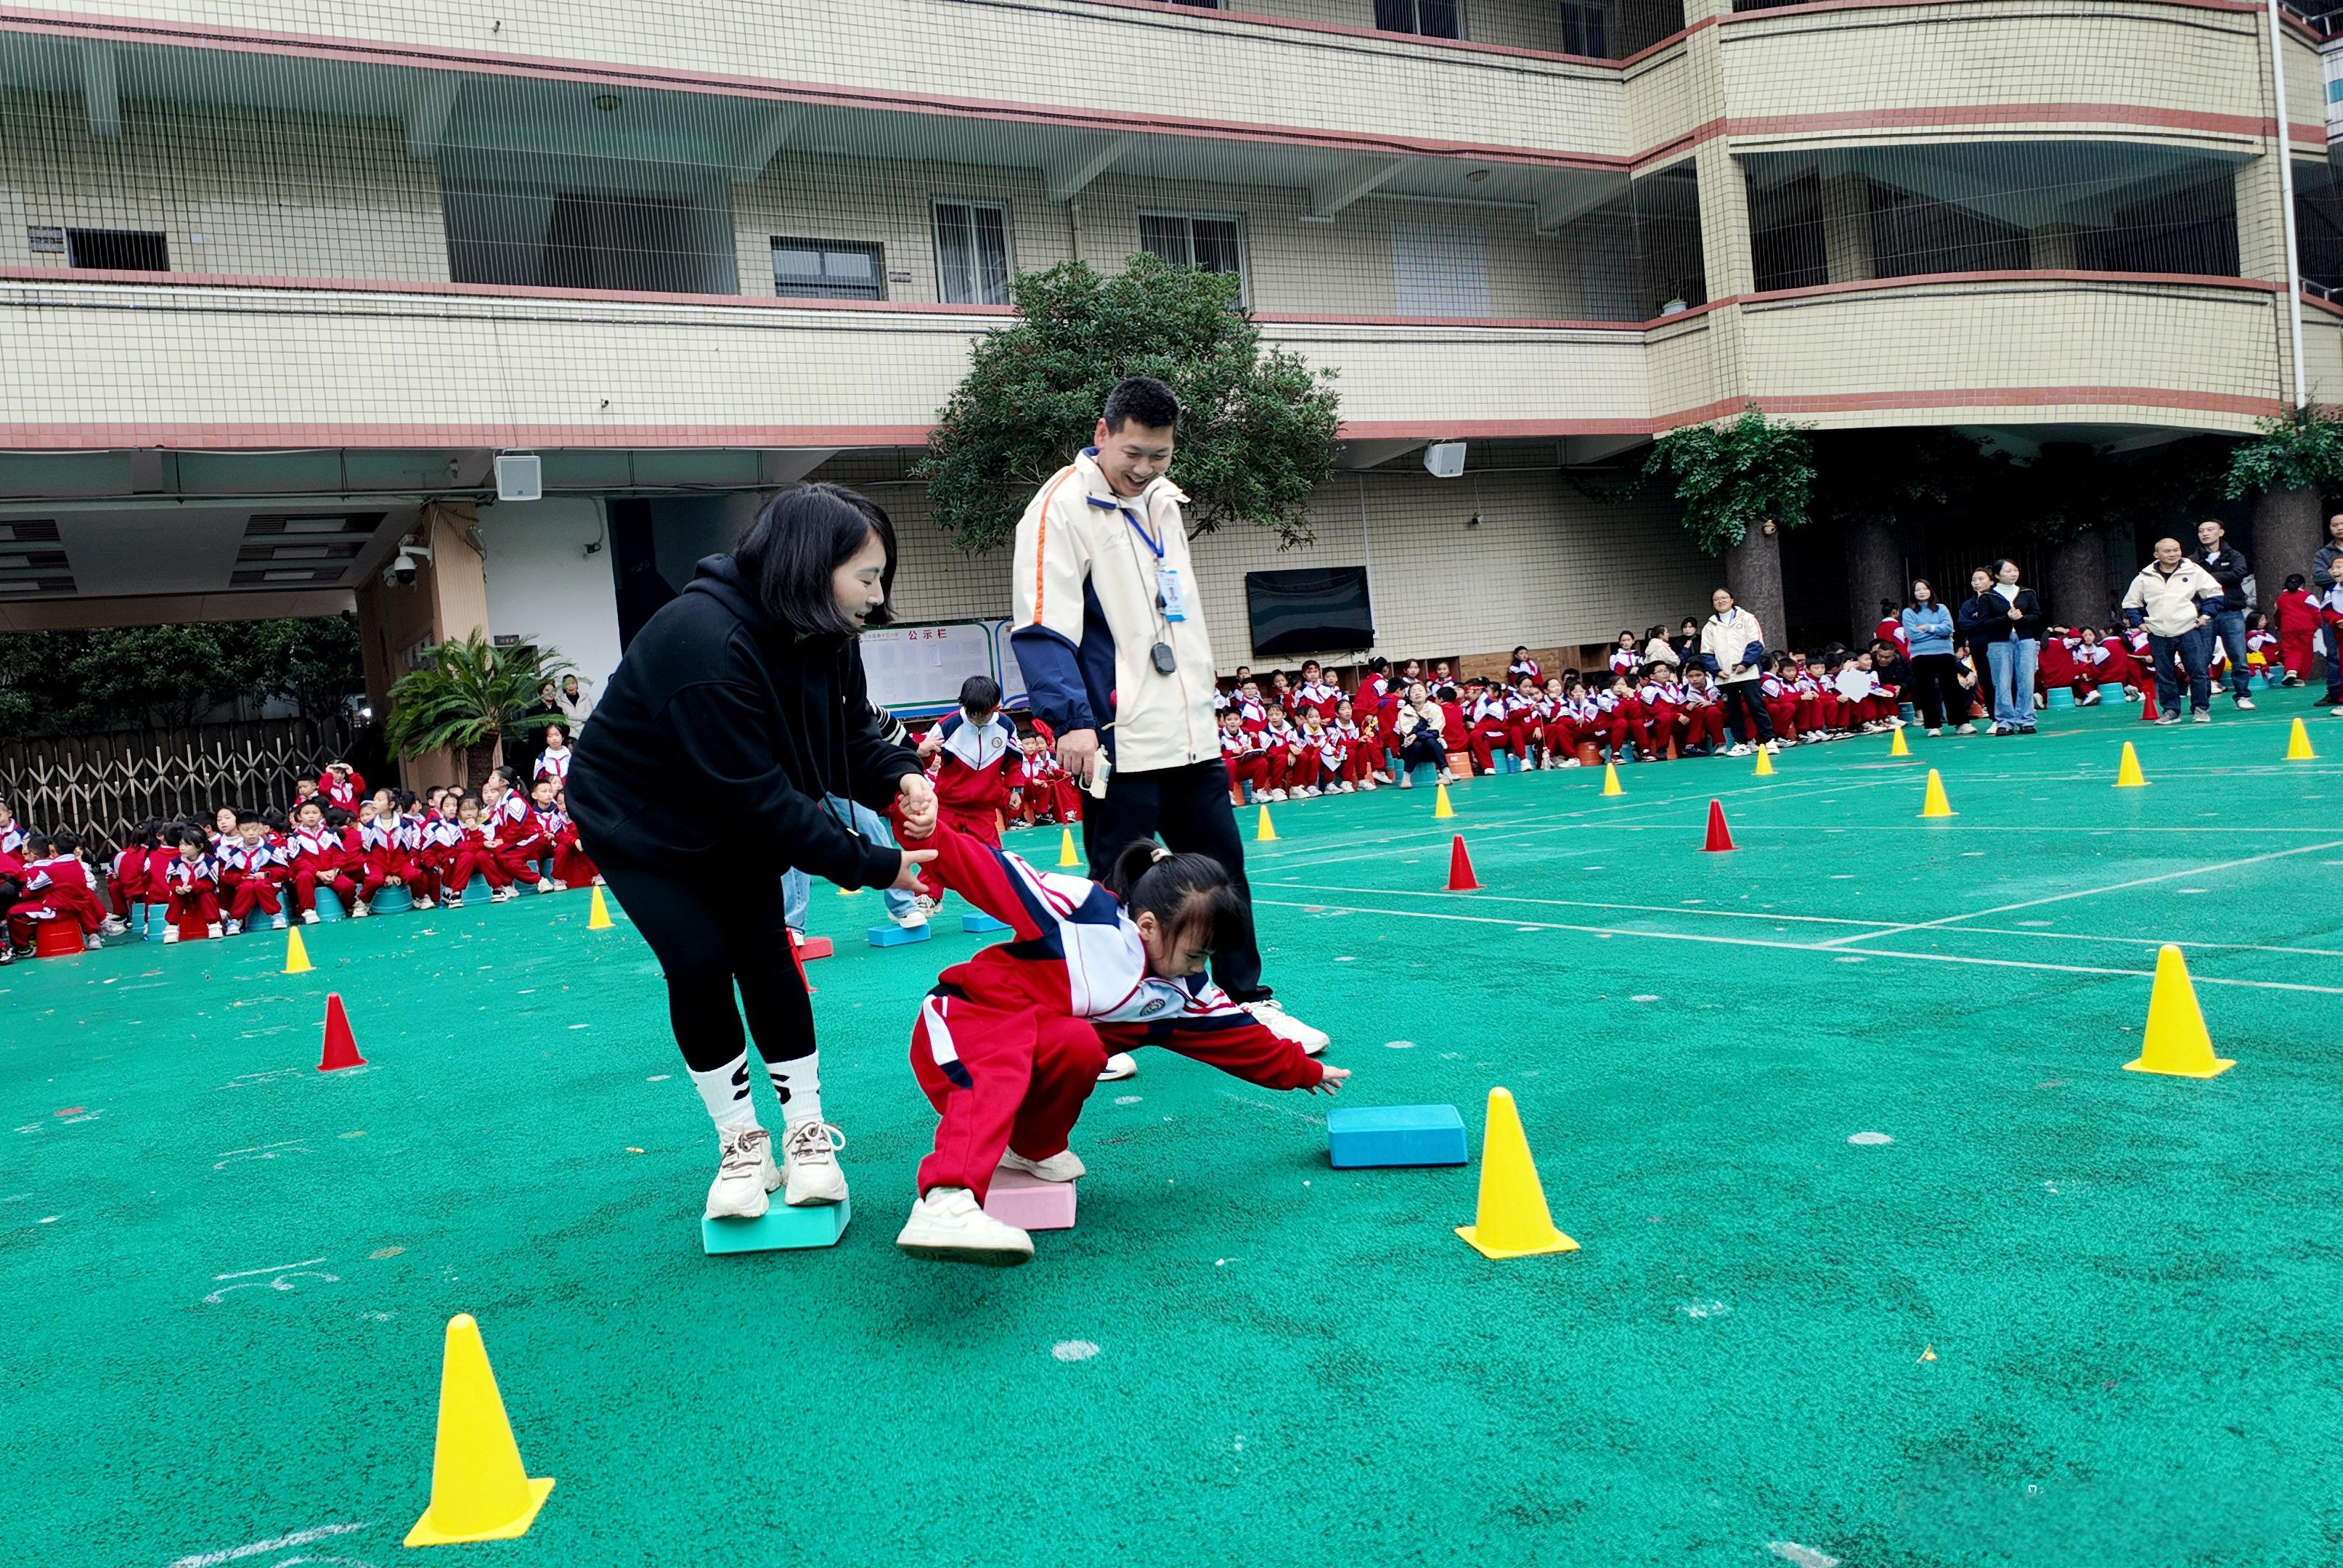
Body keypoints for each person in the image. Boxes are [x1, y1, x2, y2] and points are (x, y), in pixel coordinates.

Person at [569, 483, 940, 1225]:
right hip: (639, 822)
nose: (877, 595)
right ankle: (740, 1145)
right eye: (867, 576)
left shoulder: (825, 634)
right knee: (700, 960)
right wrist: (875, 866)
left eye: (880, 577)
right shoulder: (701, 639)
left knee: (764, 952)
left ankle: (806, 1134)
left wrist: (898, 777)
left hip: (731, 806)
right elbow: (761, 801)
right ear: (810, 565)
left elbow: (841, 738)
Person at [1008, 375, 1328, 1083]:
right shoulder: (1059, 507)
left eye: (1159, 454)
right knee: (1118, 882)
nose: (1146, 467)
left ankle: (1247, 1000)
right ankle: (1102, 1024)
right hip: (1117, 736)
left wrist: (1204, 709)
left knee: (1222, 872)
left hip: (1188, 731)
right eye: (1133, 453)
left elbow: (1174, 617)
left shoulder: (1163, 502)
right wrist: (1071, 722)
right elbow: (1040, 624)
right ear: (1102, 434)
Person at [891, 815, 1346, 1265]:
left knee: (1081, 1046)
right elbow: (992, 872)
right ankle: (946, 1199)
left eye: (1207, 958)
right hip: (968, 1019)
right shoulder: (1083, 911)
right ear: (1147, 926)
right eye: (1194, 953)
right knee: (1000, 1064)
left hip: (1036, 1037)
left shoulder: (1182, 995)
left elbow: (1242, 1039)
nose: (1198, 968)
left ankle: (1030, 1149)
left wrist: (1305, 1071)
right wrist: (929, 832)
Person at [2121, 536, 2224, 724]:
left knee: (2198, 671)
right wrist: (2139, 623)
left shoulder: (2193, 570)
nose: (2173, 554)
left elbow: (2215, 593)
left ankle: (2201, 709)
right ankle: (2170, 711)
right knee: (2164, 674)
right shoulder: (2144, 576)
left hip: (2188, 629)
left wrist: (2206, 616)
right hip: (2158, 632)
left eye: (2176, 549)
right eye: (2167, 551)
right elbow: (2130, 603)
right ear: (2156, 555)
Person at [1964, 560, 2042, 735]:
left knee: (2026, 682)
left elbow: (2037, 617)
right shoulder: (1988, 596)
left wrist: (2020, 618)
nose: (2013, 573)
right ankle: (2004, 721)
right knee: (2002, 682)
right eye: (2008, 571)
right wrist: (2007, 618)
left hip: (2024, 641)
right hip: (1999, 642)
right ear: (1997, 575)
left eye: (2015, 570)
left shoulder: (2027, 593)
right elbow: (1984, 623)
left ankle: (2026, 720)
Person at [1698, 587, 1776, 756]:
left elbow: (1756, 644)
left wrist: (1745, 664)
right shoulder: (1709, 626)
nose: (1721, 601)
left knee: (1756, 706)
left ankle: (1769, 740)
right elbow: (1706, 652)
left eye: (1724, 597)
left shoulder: (1748, 619)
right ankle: (1741, 743)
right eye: (1716, 599)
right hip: (1724, 677)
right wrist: (1716, 671)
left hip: (1748, 673)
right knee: (1733, 710)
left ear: (1732, 600)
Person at [2194, 519, 2256, 711]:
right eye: (2201, 530)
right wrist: (2221, 576)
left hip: (2232, 612)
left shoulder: (2234, 555)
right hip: (2204, 614)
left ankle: (2243, 696)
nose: (2205, 533)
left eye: (2210, 530)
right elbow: (2191, 581)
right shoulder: (2192, 559)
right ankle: (2201, 701)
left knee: (2239, 656)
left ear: (2221, 532)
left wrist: (2206, 578)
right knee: (2202, 658)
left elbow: (2238, 573)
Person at [1899, 579, 1971, 736]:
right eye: (1918, 590)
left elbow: (1948, 628)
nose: (1922, 592)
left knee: (1951, 689)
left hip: (1944, 654)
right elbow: (1913, 635)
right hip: (1921, 656)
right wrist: (1937, 633)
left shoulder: (1941, 608)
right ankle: (1933, 725)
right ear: (1913, 593)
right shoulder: (1908, 612)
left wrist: (1927, 628)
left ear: (1931, 590)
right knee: (1927, 690)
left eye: (1925, 588)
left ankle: (1961, 723)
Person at [1390, 682, 1450, 785]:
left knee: (1431, 741)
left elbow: (1436, 732)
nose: (1417, 693)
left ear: (1426, 693)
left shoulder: (1435, 709)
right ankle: (1406, 779)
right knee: (1417, 744)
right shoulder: (1404, 712)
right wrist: (1422, 721)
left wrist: (1418, 735)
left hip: (1431, 750)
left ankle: (1447, 775)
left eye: (1420, 690)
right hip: (1410, 750)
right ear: (1409, 697)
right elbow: (1409, 735)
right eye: (1413, 691)